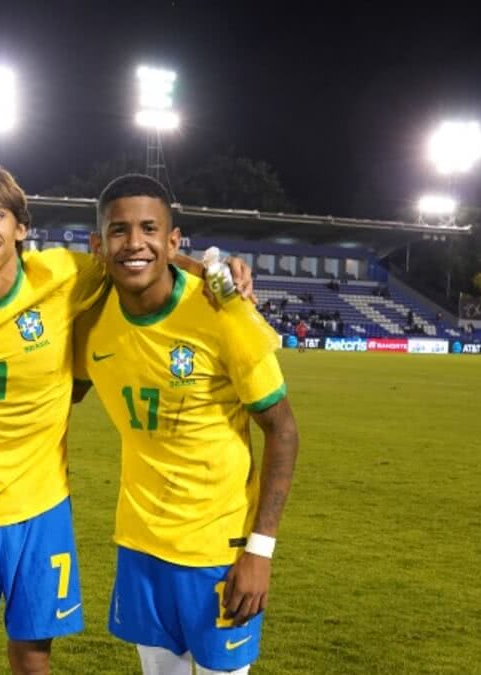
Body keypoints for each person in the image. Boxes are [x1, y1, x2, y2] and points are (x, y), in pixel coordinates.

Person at [0, 165, 254, 675]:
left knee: (34, 655)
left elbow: (140, 257)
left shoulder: (66, 275)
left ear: (21, 227)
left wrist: (216, 272)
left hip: (44, 503)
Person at [72, 174, 300, 675]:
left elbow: (283, 431)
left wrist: (260, 551)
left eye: (150, 229)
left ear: (172, 242)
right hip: (140, 545)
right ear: (97, 244)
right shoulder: (91, 322)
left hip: (219, 550)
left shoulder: (223, 312)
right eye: (119, 231)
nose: (134, 243)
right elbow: (58, 393)